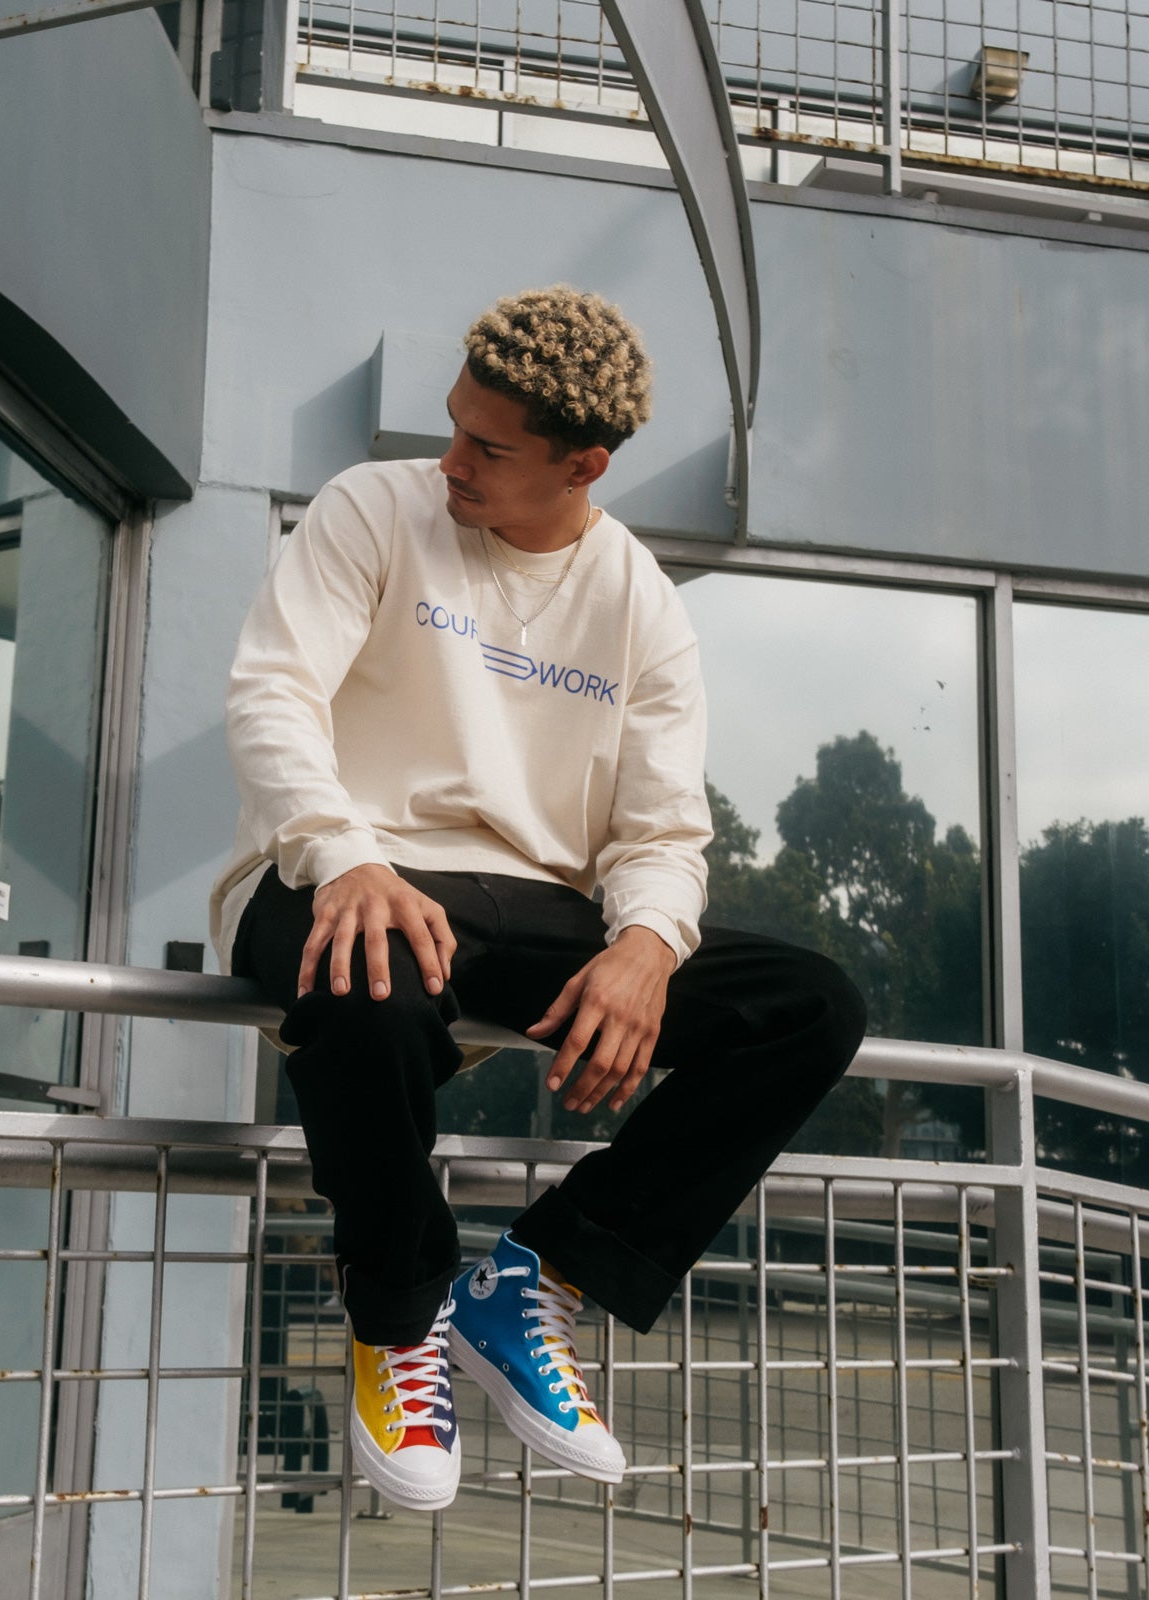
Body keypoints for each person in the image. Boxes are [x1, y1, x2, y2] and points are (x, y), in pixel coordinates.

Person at [212, 286, 868, 1511]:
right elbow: (273, 694)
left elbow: (664, 828)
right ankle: (399, 1318)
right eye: (454, 426)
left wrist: (648, 946)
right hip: (329, 869)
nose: (450, 460)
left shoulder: (638, 601)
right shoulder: (372, 510)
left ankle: (537, 1278)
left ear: (584, 465)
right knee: (370, 967)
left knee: (807, 1004)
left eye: (489, 448)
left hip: (523, 906)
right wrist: (344, 852)